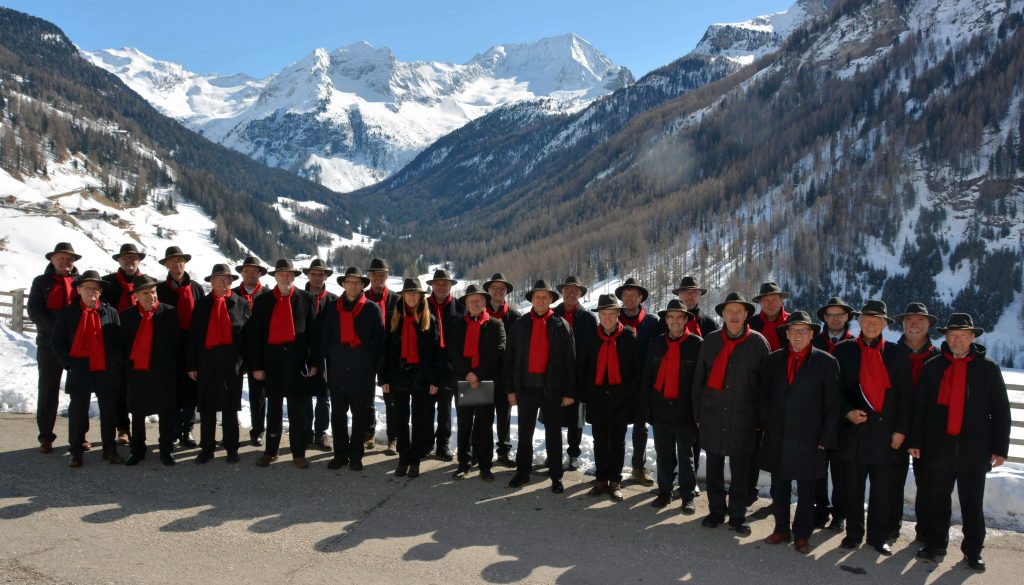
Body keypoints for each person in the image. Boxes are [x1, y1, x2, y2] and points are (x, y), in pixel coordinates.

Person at [909, 314, 1011, 573]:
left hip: (974, 448)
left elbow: (1000, 410)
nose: (957, 340)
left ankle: (973, 550)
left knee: (972, 502)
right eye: (952, 335)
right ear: (946, 337)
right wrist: (915, 440)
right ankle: (935, 544)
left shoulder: (988, 369)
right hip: (938, 446)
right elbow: (920, 408)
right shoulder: (933, 367)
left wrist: (1000, 448)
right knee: (937, 499)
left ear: (972, 337)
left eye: (963, 335)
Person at [834, 300, 912, 556]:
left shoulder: (897, 354)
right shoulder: (843, 351)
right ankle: (853, 534)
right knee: (853, 489)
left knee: (882, 491)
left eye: (876, 320)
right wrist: (847, 412)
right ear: (859, 322)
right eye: (866, 319)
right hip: (854, 432)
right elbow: (834, 391)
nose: (870, 324)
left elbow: (905, 397)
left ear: (885, 324)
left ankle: (878, 538)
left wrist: (900, 430)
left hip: (885, 434)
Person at [759, 311, 841, 554]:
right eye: (793, 330)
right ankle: (781, 529)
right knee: (779, 487)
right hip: (779, 435)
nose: (798, 335)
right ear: (786, 334)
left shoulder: (827, 362)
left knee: (807, 491)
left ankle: (803, 535)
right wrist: (766, 422)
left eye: (803, 331)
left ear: (812, 334)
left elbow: (833, 404)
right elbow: (763, 395)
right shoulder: (773, 360)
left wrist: (826, 437)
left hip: (810, 439)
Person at [692, 292, 770, 535]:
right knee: (714, 467)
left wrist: (760, 419)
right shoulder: (711, 342)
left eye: (739, 311)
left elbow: (766, 386)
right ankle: (716, 511)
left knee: (741, 471)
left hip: (744, 419)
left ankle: (738, 515)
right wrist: (698, 414)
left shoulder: (758, 343)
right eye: (730, 311)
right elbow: (699, 380)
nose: (734, 316)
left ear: (746, 314)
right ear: (723, 315)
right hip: (713, 415)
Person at [505, 280, 576, 494]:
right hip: (526, 388)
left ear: (551, 300)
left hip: (551, 389)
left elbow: (570, 362)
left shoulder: (562, 325)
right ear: (532, 300)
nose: (541, 300)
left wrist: (569, 392)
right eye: (538, 297)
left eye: (545, 297)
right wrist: (510, 390)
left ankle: (556, 475)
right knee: (525, 433)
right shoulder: (520, 325)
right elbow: (510, 360)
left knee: (553, 434)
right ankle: (523, 471)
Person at [51, 270, 123, 467]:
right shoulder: (68, 314)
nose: (93, 292)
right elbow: (57, 342)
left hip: (105, 368)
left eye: (96, 288)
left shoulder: (110, 312)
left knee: (109, 411)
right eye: (88, 287)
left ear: (101, 292)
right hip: (80, 367)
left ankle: (110, 450)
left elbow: (119, 342)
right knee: (78, 411)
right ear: (79, 289)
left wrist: (114, 364)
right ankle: (76, 451)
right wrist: (67, 362)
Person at [248, 259, 316, 469]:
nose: (285, 278)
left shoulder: (306, 299)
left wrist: (314, 362)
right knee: (274, 411)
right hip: (272, 364)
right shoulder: (263, 301)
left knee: (297, 412)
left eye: (289, 274)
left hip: (298, 364)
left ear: (294, 277)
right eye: (282, 274)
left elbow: (314, 335)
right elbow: (255, 337)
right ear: (275, 276)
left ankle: (299, 453)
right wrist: (257, 366)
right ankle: (271, 452)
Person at [318, 267, 385, 471]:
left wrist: (375, 368)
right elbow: (324, 338)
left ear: (363, 285)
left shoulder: (372, 309)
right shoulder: (332, 308)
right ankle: (340, 455)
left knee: (359, 417)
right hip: (337, 371)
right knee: (338, 417)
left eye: (357, 282)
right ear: (343, 284)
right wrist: (322, 365)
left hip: (362, 373)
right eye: (349, 282)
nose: (353, 286)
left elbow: (379, 343)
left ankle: (356, 455)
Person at [642, 299, 702, 513]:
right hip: (661, 410)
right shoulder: (656, 343)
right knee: (664, 455)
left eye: (679, 317)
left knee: (686, 457)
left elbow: (700, 382)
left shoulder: (697, 345)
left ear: (686, 319)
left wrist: (698, 413)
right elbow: (648, 376)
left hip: (686, 413)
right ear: (666, 320)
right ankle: (664, 492)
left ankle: (687, 496)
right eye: (671, 317)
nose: (675, 321)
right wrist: (647, 406)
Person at [187, 264, 251, 464]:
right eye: (220, 279)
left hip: (232, 365)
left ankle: (232, 448)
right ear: (212, 281)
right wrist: (192, 365)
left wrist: (245, 364)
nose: (225, 282)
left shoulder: (241, 304)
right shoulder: (201, 305)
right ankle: (207, 449)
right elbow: (193, 337)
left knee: (230, 409)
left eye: (228, 279)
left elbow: (248, 338)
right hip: (206, 363)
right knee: (207, 408)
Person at [381, 278, 442, 479]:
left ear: (421, 296)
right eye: (408, 293)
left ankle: (414, 460)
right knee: (400, 419)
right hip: (398, 376)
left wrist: (435, 380)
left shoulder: (430, 320)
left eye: (415, 293)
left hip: (422, 378)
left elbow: (436, 354)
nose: (412, 296)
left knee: (419, 420)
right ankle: (403, 459)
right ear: (403, 295)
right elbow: (385, 352)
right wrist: (384, 378)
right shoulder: (393, 318)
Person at [583, 294, 641, 502]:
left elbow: (636, 371)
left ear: (618, 314)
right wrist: (587, 395)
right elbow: (584, 368)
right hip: (597, 399)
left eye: (611, 313)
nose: (607, 318)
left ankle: (615, 481)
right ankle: (601, 480)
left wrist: (628, 396)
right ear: (599, 315)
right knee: (599, 441)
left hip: (621, 400)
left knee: (617, 442)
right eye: (603, 314)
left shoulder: (628, 337)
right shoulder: (591, 337)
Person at [890, 302, 940, 543]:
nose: (914, 324)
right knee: (892, 481)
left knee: (928, 483)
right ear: (902, 324)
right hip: (896, 426)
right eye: (909, 320)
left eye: (920, 320)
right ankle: (890, 527)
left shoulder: (939, 356)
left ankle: (925, 530)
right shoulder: (890, 353)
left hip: (928, 430)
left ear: (929, 325)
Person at [448, 284, 507, 481]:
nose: (474, 303)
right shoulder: (457, 325)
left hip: (485, 382)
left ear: (485, 302)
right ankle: (464, 464)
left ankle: (485, 465)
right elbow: (453, 352)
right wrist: (468, 374)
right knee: (464, 425)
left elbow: (498, 351)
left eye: (478, 300)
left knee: (484, 426)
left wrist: (478, 374)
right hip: (464, 381)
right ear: (465, 303)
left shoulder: (496, 324)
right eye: (471, 300)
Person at [119, 274, 180, 466]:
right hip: (137, 371)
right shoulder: (127, 316)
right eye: (145, 293)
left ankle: (166, 449)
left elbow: (177, 344)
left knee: (166, 411)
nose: (151, 296)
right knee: (138, 412)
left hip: (163, 372)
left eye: (153, 292)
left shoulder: (169, 312)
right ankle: (137, 450)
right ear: (136, 296)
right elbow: (123, 346)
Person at [27, 242, 81, 453]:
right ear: (52, 259)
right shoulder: (41, 282)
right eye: (61, 258)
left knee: (80, 391)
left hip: (77, 344)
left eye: (70, 259)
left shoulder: (81, 282)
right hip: (48, 344)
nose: (66, 262)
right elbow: (34, 311)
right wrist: (58, 331)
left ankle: (79, 436)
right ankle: (46, 436)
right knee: (48, 390)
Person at [811, 296, 856, 531]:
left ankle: (840, 514)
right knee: (817, 469)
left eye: (840, 315)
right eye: (831, 315)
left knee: (841, 472)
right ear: (825, 318)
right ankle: (820, 510)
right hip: (818, 417)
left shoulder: (855, 344)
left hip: (844, 419)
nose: (836, 319)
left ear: (847, 317)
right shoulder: (814, 343)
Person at [155, 246, 205, 449]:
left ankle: (188, 429)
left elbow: (202, 317)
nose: (177, 264)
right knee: (172, 388)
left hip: (192, 344)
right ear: (166, 264)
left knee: (191, 388)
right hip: (169, 345)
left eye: (181, 260)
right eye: (173, 261)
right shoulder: (160, 289)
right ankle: (174, 430)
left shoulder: (196, 288)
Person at [616, 277, 660, 487]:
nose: (630, 298)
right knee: (616, 426)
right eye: (626, 295)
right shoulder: (613, 318)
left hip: (643, 383)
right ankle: (613, 468)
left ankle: (638, 467)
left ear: (641, 297)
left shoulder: (652, 322)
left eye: (634, 294)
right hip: (619, 382)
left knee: (640, 428)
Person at [102, 243, 146, 445]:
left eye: (133, 257)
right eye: (125, 257)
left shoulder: (146, 283)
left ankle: (139, 427)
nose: (129, 261)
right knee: (118, 387)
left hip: (140, 341)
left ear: (139, 260)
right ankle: (122, 427)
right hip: (115, 342)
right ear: (118, 260)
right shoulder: (107, 283)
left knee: (138, 387)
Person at [554, 275, 597, 471]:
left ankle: (573, 454)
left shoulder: (588, 318)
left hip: (579, 374)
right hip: (555, 374)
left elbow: (592, 351)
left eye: (575, 290)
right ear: (562, 293)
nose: (570, 293)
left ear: (580, 294)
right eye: (567, 290)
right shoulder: (552, 314)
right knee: (552, 416)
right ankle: (553, 452)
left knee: (575, 420)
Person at [483, 273, 521, 468]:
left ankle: (504, 452)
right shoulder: (480, 311)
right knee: (483, 415)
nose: (498, 291)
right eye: (495, 288)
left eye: (502, 288)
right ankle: (482, 452)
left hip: (507, 374)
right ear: (489, 290)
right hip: (484, 373)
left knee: (504, 416)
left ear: (507, 292)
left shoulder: (515, 316)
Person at [425, 269, 464, 461]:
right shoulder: (423, 305)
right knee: (426, 408)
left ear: (450, 286)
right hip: (427, 365)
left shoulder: (460, 308)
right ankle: (426, 443)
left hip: (450, 367)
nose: (441, 287)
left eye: (445, 284)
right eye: (438, 284)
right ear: (432, 285)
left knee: (445, 409)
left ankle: (443, 445)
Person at [233, 256, 270, 446]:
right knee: (231, 393)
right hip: (237, 350)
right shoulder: (231, 294)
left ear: (260, 273)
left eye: (254, 271)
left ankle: (258, 431)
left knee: (258, 395)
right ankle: (230, 433)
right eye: (246, 270)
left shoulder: (268, 295)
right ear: (241, 273)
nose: (250, 274)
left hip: (259, 350)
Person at [301, 258, 337, 451]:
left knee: (324, 397)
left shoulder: (334, 301)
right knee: (305, 395)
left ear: (325, 276)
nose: (316, 277)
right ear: (308, 275)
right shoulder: (298, 298)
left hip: (326, 356)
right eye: (313, 274)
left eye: (320, 274)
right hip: (304, 354)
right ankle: (306, 432)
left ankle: (321, 433)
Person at [366, 258, 399, 454]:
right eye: (375, 274)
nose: (378, 278)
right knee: (366, 396)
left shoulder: (396, 299)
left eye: (382, 275)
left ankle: (393, 438)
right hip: (368, 355)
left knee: (391, 399)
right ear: (369, 276)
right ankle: (368, 433)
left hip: (390, 356)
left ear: (387, 276)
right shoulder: (362, 298)